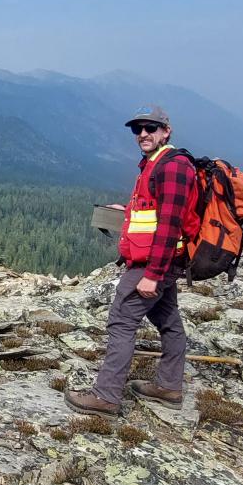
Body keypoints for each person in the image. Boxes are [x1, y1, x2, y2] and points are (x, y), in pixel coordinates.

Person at [64, 105, 197, 417]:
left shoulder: (172, 167)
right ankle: (169, 386)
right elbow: (155, 213)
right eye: (138, 129)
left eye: (151, 128)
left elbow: (169, 226)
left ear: (167, 131)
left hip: (153, 263)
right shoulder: (155, 163)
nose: (143, 134)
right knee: (168, 320)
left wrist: (152, 274)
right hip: (160, 261)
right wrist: (126, 210)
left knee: (122, 321)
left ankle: (106, 396)